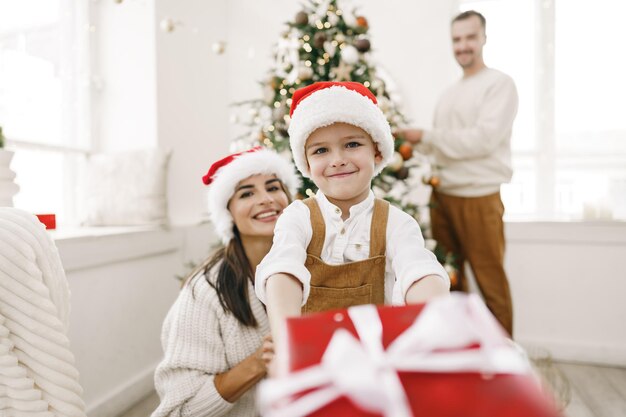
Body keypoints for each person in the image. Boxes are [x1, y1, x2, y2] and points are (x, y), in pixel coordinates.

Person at [254, 81, 450, 357]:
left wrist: (437, 317)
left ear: (377, 152)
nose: (337, 160)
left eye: (352, 144)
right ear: (307, 164)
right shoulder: (298, 217)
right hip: (310, 359)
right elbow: (281, 270)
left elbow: (417, 271)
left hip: (378, 363)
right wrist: (286, 338)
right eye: (321, 150)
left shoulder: (396, 223)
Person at [151, 147, 301, 417]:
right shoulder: (205, 291)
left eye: (273, 187)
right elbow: (180, 410)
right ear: (228, 213)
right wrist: (258, 362)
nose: (266, 199)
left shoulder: (320, 266)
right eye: (246, 193)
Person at [395, 10, 518, 336]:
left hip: (478, 197)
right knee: (450, 279)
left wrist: (426, 137)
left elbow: (481, 140)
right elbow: (443, 146)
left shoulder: (499, 85)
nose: (463, 45)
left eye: (470, 37)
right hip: (442, 195)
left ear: (484, 38)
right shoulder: (450, 93)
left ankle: (505, 362)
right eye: (457, 39)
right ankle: (464, 351)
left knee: (490, 282)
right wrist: (411, 141)